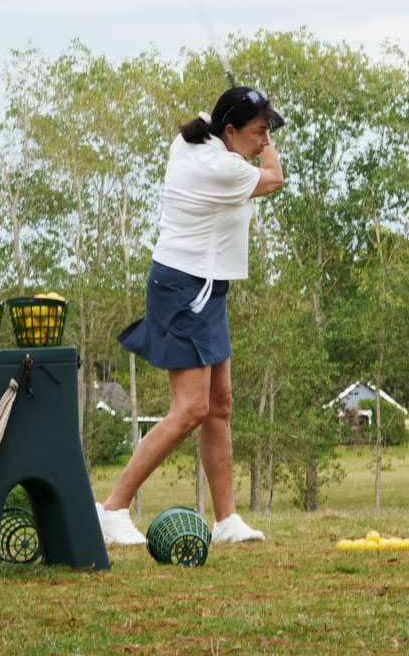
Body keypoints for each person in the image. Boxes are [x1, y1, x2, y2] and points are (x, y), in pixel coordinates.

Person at [96, 85, 285, 547]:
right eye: (258, 132)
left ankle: (226, 521)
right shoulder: (220, 166)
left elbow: (212, 114)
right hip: (186, 287)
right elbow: (275, 177)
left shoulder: (193, 138)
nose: (262, 141)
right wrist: (266, 141)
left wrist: (253, 112)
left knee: (219, 404)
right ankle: (113, 509)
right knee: (192, 409)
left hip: (205, 284)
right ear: (230, 132)